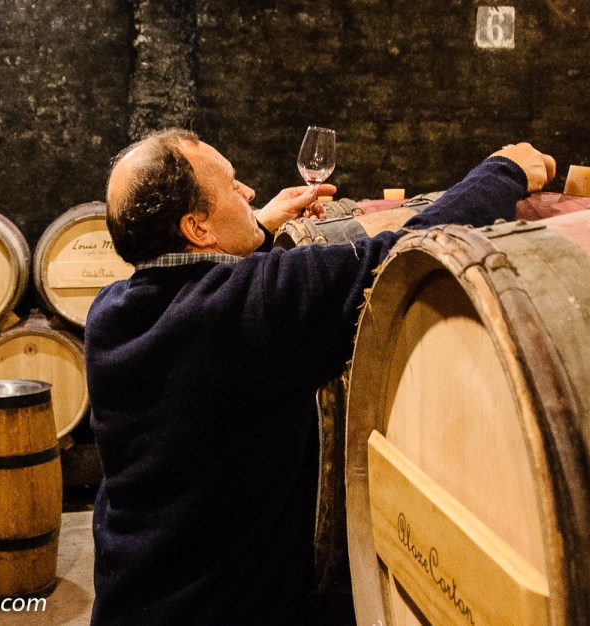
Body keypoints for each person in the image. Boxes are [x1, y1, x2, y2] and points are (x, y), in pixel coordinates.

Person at [85, 128, 556, 625]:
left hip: (130, 597)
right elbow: (411, 252)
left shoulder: (109, 312)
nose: (248, 192)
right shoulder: (253, 307)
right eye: (232, 186)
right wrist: (504, 169)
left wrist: (257, 226)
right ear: (197, 227)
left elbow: (205, 292)